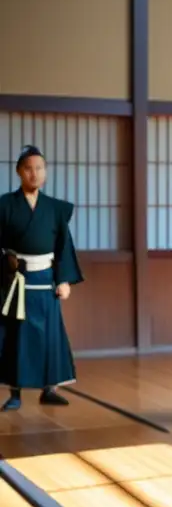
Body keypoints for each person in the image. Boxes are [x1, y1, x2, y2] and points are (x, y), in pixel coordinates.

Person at [0, 145, 83, 412]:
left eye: (39, 168)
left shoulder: (55, 209)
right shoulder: (4, 205)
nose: (34, 174)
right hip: (16, 281)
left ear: (45, 172)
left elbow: (63, 246)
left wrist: (64, 280)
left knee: (49, 334)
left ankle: (50, 389)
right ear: (18, 172)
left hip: (46, 279)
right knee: (16, 336)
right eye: (28, 168)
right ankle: (15, 392)